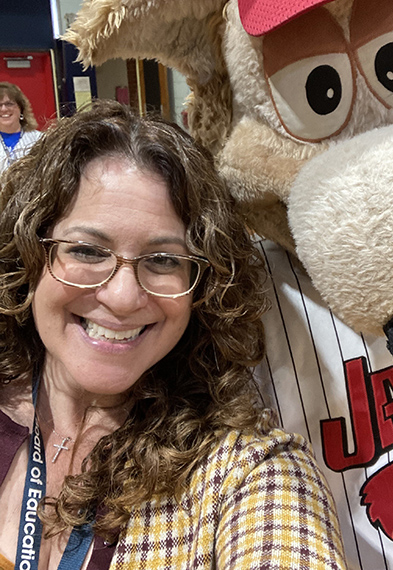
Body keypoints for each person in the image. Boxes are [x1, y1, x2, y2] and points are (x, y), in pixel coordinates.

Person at [0, 100, 346, 570]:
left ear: (202, 287)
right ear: (29, 253)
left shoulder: (250, 473)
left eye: (163, 260)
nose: (122, 297)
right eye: (86, 250)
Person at [0, 82, 41, 174]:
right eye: (0, 105)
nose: (4, 109)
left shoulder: (40, 139)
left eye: (9, 104)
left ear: (21, 109)